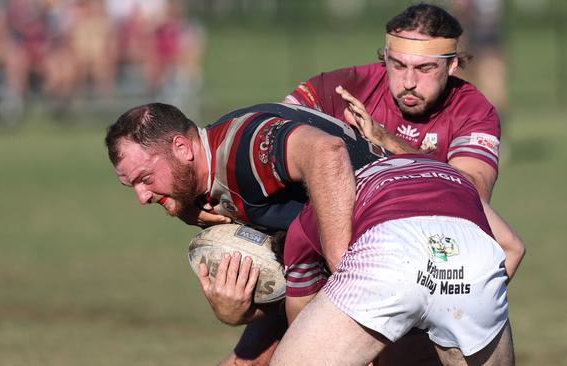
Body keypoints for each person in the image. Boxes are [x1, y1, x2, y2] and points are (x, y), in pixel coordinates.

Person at [105, 101, 388, 364]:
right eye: (133, 186)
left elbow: (326, 151)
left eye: (144, 178)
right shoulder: (199, 196)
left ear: (182, 148)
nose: (142, 197)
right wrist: (241, 311)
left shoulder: (242, 150)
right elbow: (295, 282)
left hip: (403, 243)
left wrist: (343, 268)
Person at [271, 154, 525, 365]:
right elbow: (512, 247)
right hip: (471, 255)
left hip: (390, 251)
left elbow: (301, 313)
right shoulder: (450, 174)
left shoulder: (314, 211)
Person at [285, 3, 500, 202]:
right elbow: (272, 128)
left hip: (425, 233)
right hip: (338, 226)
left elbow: (474, 194)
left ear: (452, 65)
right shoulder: (344, 87)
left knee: (512, 245)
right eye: (398, 65)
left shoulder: (474, 111)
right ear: (386, 57)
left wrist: (384, 139)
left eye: (424, 68)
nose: (408, 82)